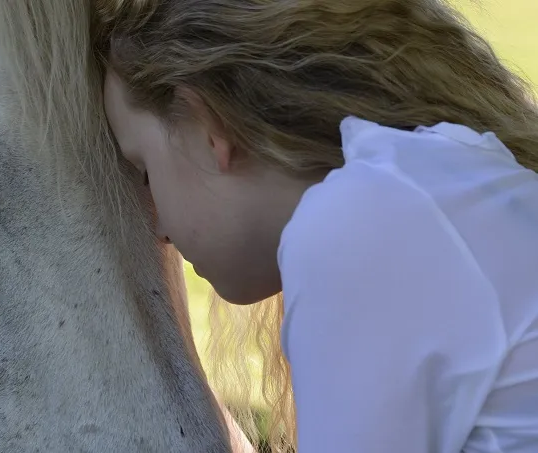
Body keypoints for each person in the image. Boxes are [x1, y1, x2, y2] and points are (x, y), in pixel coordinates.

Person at [93, 0, 538, 452]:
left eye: (145, 171)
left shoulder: (359, 224)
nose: (159, 230)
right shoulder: (456, 176)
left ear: (210, 128)